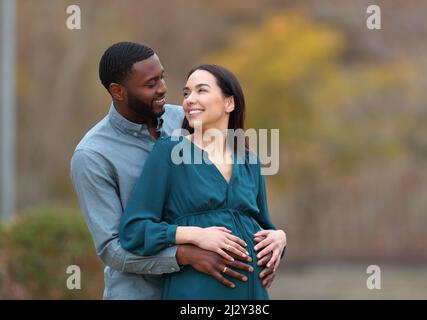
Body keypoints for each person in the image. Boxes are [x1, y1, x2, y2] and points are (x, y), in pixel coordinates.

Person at [71, 42, 262, 300]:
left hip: (201, 291)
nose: (163, 89)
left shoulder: (184, 121)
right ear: (118, 91)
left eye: (162, 77)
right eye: (150, 85)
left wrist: (273, 239)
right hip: (139, 294)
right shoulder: (92, 155)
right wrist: (184, 255)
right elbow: (112, 248)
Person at [119, 64, 287, 299]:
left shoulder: (250, 161)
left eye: (201, 90)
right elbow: (133, 230)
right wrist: (195, 234)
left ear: (229, 103)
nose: (189, 100)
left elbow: (263, 227)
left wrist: (279, 238)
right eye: (186, 93)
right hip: (195, 294)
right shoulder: (169, 153)